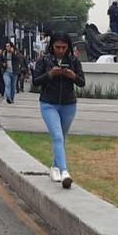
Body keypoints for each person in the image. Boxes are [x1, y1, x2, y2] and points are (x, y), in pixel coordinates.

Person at [33, 34, 85, 188]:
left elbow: (82, 82)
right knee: (56, 135)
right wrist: (50, 74)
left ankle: (55, 167)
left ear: (68, 47)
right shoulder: (44, 60)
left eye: (64, 47)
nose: (60, 51)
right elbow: (36, 81)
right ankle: (64, 172)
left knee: (62, 137)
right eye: (57, 47)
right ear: (52, 47)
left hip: (69, 104)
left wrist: (73, 75)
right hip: (49, 103)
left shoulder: (74, 61)